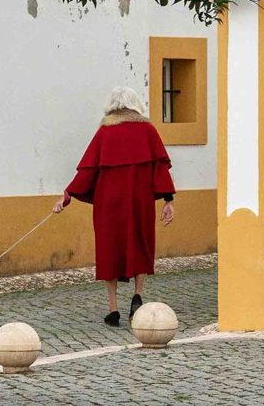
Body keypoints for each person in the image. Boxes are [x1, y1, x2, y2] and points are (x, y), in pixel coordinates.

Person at [53, 86, 176, 327]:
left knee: (109, 250)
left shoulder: (105, 132)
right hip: (139, 201)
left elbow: (87, 171)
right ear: (135, 104)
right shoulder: (148, 131)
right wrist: (168, 200)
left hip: (108, 204)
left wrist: (67, 196)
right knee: (141, 244)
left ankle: (113, 309)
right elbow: (160, 167)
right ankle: (137, 295)